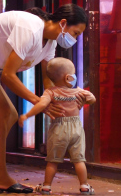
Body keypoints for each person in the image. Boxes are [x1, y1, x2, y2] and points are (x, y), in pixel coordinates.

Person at [0, 4, 88, 193]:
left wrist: (61, 102)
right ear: (63, 23)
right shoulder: (31, 27)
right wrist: (37, 101)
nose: (73, 39)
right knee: (5, 112)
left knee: (7, 115)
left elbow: (48, 80)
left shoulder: (50, 42)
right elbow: (9, 75)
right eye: (75, 33)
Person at [18, 58, 96, 195]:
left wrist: (27, 115)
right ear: (68, 77)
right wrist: (84, 101)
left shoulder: (51, 92)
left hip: (59, 128)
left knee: (53, 161)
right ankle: (84, 186)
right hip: (76, 127)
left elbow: (41, 105)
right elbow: (92, 99)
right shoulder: (78, 92)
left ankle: (46, 186)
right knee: (79, 160)